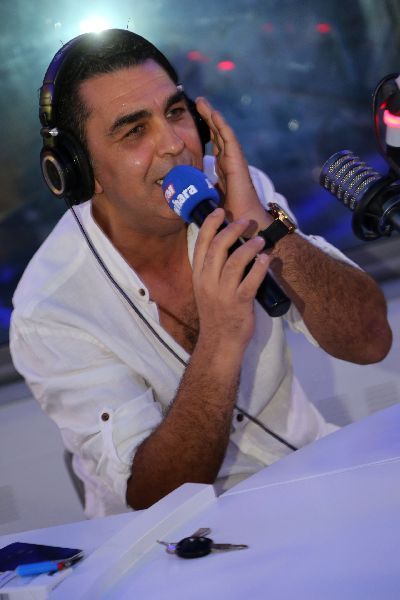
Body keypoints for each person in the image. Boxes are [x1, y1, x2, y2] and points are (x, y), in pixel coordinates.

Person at [10, 29, 392, 518]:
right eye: (134, 131)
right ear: (81, 171)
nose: (174, 145)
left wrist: (264, 226)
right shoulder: (49, 311)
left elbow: (369, 342)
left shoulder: (236, 191)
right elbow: (154, 495)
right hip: (171, 538)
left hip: (305, 479)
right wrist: (221, 339)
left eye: (175, 113)